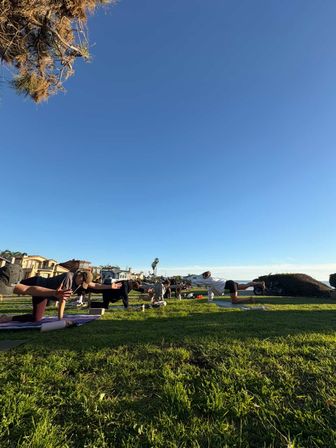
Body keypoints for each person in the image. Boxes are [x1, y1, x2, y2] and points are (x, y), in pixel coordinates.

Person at [0, 264, 122, 323]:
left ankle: (6, 318)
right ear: (80, 275)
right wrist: (60, 319)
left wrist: (110, 286)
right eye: (82, 282)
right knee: (9, 285)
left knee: (36, 318)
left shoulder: (80, 282)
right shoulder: (69, 277)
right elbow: (63, 300)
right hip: (37, 282)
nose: (82, 285)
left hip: (43, 292)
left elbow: (95, 285)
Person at [188, 271, 265, 304]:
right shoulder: (213, 277)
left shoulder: (209, 280)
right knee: (245, 286)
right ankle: (259, 283)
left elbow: (197, 281)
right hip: (230, 282)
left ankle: (250, 299)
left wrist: (189, 281)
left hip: (230, 285)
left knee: (234, 301)